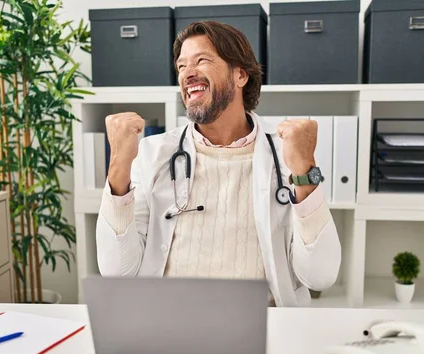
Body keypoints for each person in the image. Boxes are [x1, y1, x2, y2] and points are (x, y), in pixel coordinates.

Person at [95, 21, 341, 306]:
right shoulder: (152, 154)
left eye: (201, 60)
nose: (187, 74)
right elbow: (117, 272)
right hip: (172, 323)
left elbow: (320, 277)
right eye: (181, 67)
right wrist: (118, 165)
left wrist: (305, 170)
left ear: (240, 75)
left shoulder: (288, 153)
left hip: (262, 324)